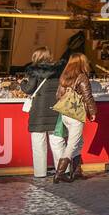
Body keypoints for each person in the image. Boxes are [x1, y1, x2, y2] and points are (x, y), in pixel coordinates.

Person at [49, 53, 97, 183]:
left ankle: (76, 171)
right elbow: (88, 97)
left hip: (65, 114)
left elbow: (58, 95)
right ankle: (60, 173)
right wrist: (92, 112)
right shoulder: (82, 77)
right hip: (76, 116)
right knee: (72, 144)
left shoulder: (64, 76)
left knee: (79, 142)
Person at [19, 47, 64, 182]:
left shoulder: (34, 72)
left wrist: (22, 83)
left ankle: (40, 172)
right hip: (55, 109)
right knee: (57, 142)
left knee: (38, 143)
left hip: (39, 112)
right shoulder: (59, 71)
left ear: (36, 57)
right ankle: (62, 170)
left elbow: (29, 89)